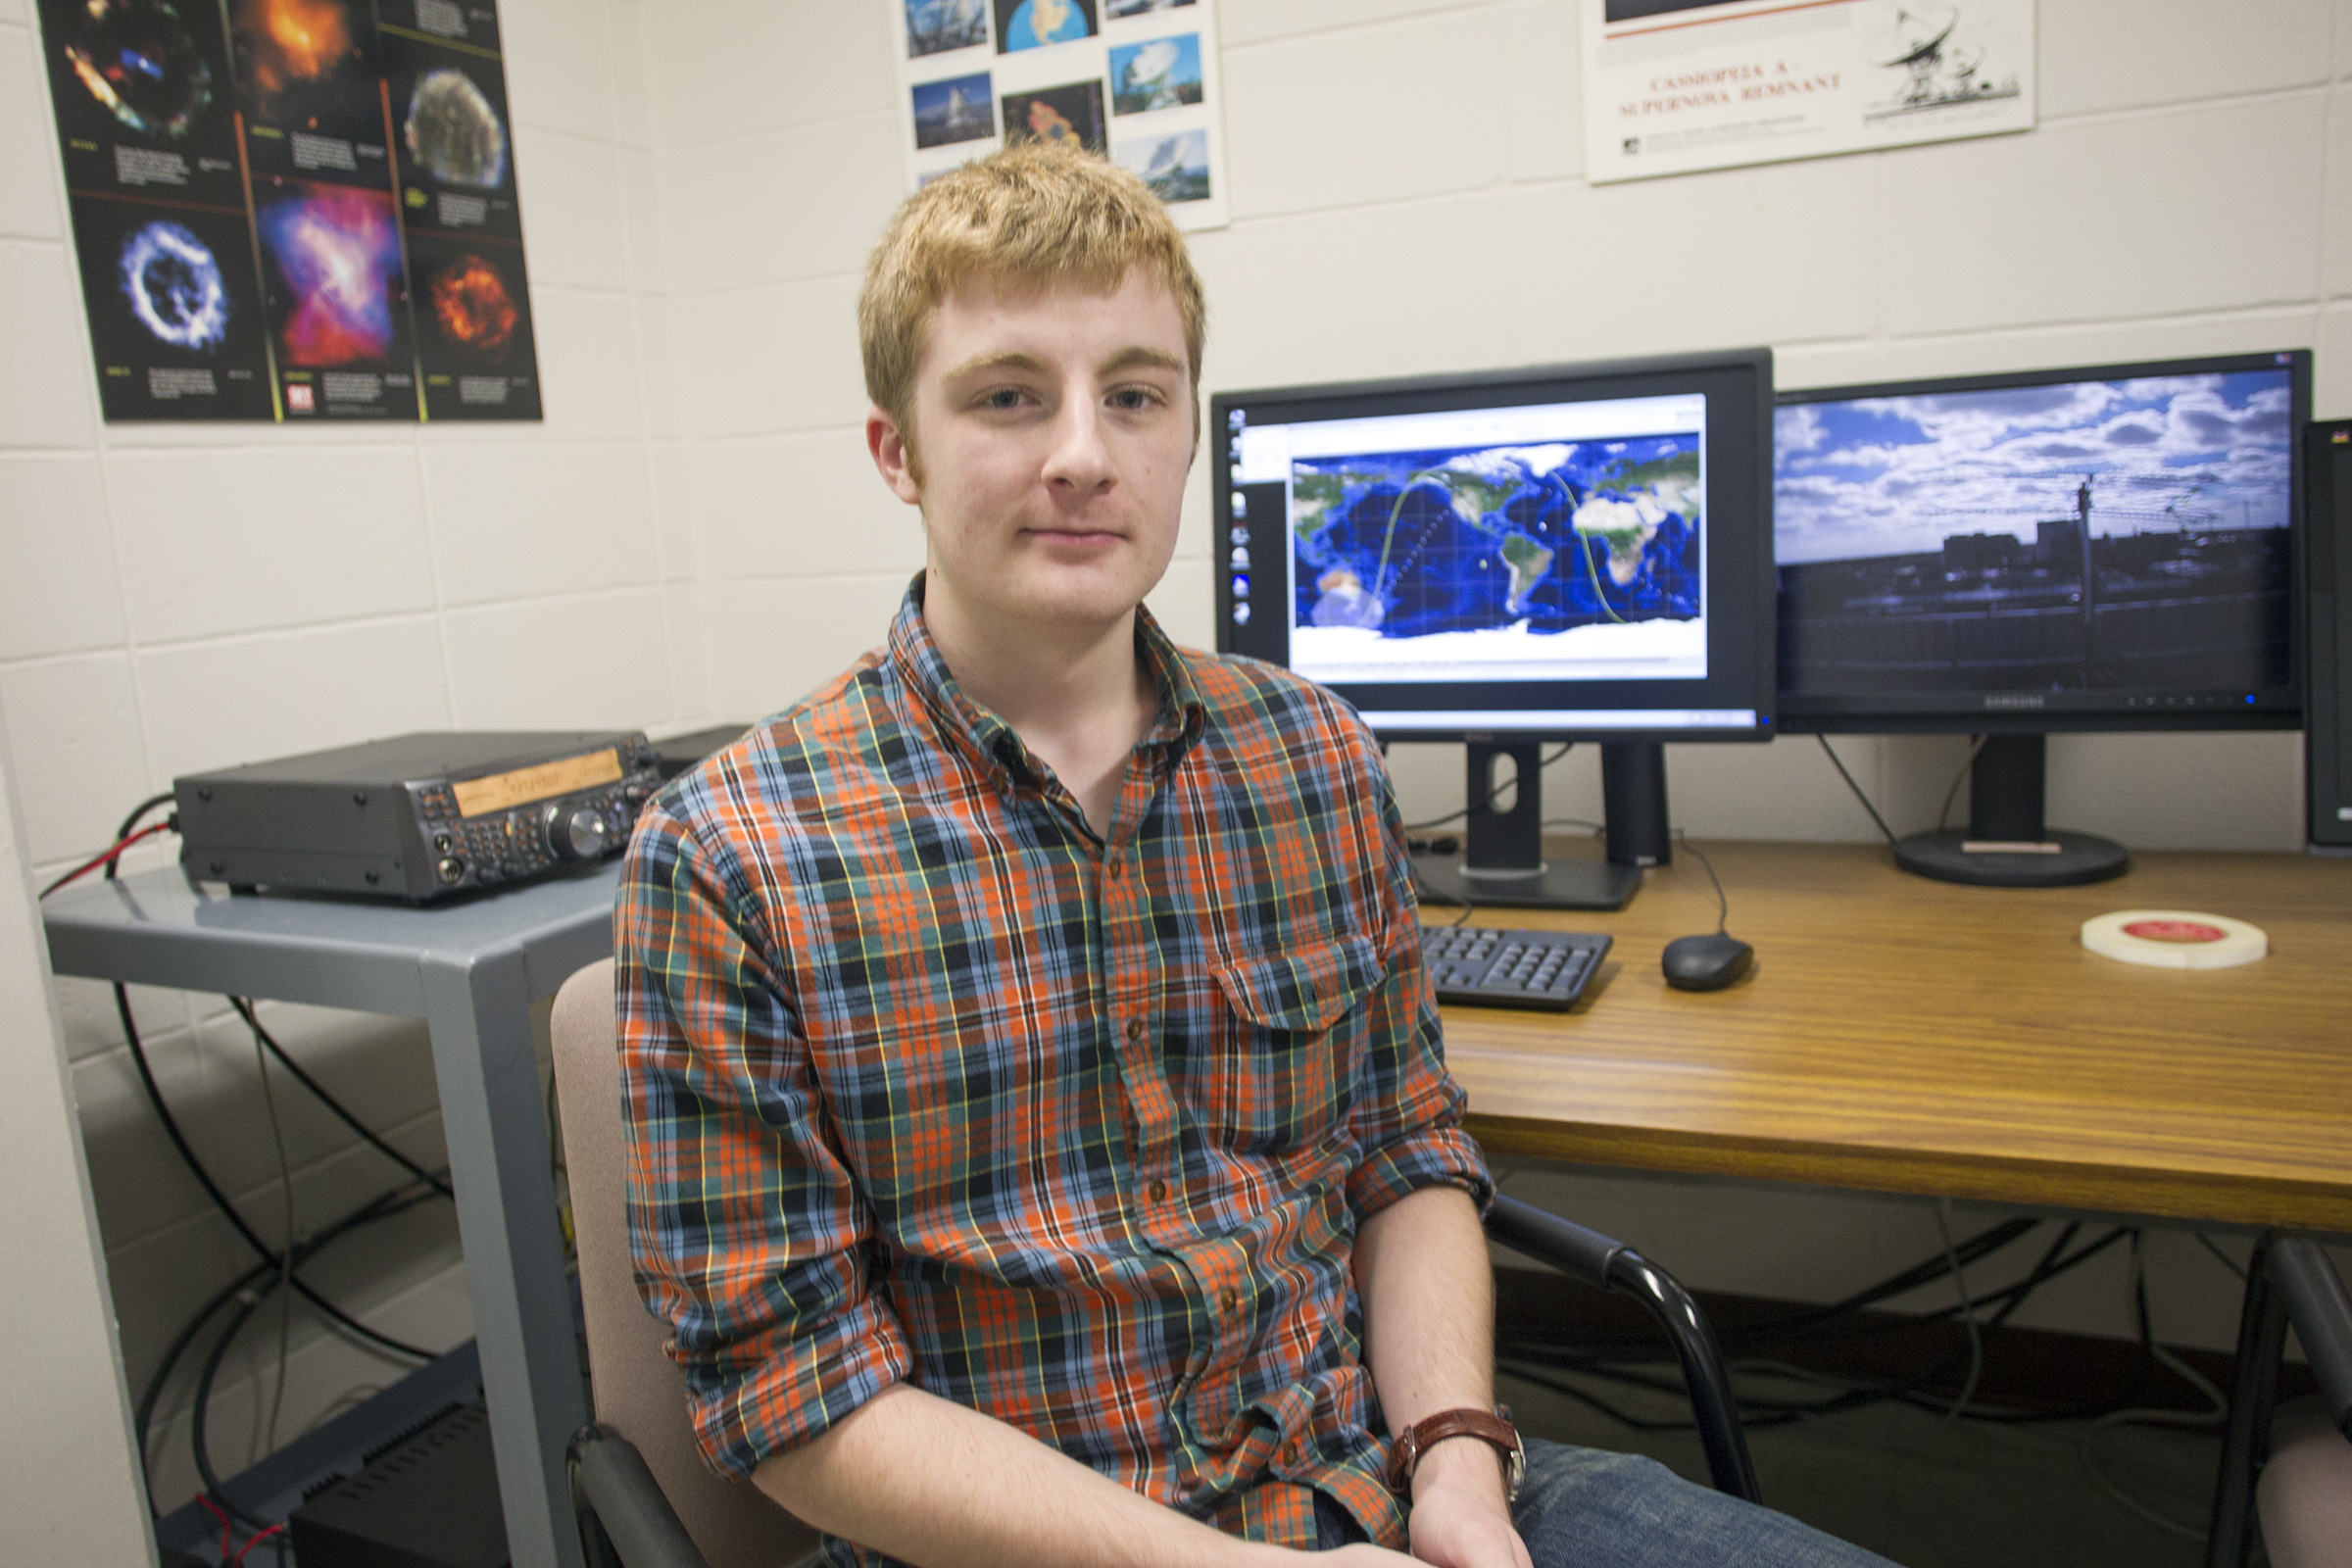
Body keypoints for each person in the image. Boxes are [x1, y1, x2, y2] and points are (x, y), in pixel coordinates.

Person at [615, 142, 1896, 1568]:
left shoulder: (1314, 758)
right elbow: (790, 1397)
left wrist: (1458, 1468)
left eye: (1135, 395)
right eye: (1007, 396)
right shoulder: (732, 855)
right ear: (895, 451)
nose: (1084, 454)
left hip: (1383, 1486)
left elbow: (1406, 1155)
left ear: (1187, 435)